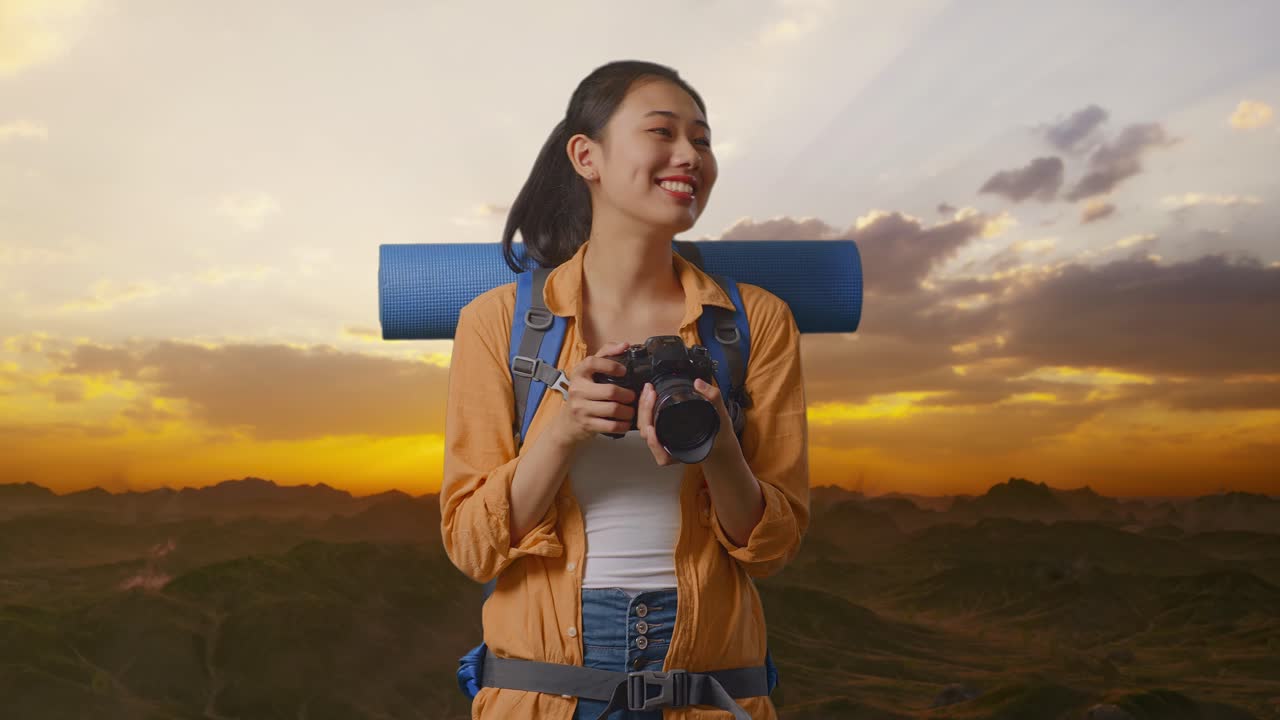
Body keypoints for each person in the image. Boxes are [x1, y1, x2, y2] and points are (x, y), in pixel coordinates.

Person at [440, 60, 809, 720]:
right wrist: (561, 430)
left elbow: (774, 547)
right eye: (662, 132)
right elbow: (471, 545)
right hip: (544, 694)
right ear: (587, 156)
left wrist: (719, 444)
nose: (688, 155)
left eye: (701, 138)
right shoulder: (496, 323)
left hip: (710, 694)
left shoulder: (757, 323)